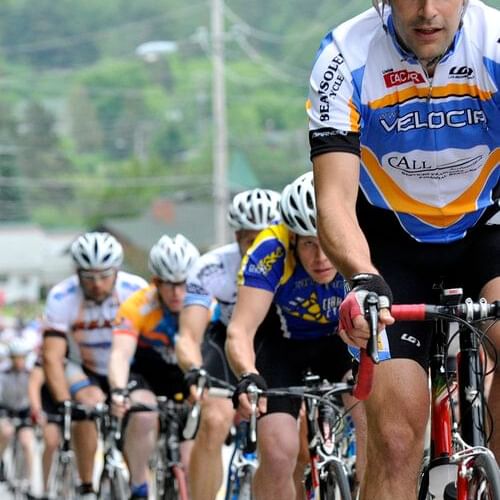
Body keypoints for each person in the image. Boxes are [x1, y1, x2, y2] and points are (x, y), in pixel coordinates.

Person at [307, 1, 500, 498]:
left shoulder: (495, 44)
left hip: (486, 225)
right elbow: (333, 201)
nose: (427, 11)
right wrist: (364, 277)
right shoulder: (345, 55)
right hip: (389, 242)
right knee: (394, 440)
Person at [226, 172, 366, 500]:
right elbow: (240, 330)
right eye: (308, 244)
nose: (320, 258)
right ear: (291, 238)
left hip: (340, 342)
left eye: (326, 242)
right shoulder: (269, 251)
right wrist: (247, 374)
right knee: (278, 454)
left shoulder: (358, 241)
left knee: (372, 419)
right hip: (282, 347)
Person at [175, 188, 281, 500]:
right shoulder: (212, 267)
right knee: (214, 419)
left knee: (294, 435)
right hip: (226, 340)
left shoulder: (294, 260)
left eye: (266, 238)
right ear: (236, 236)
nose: (258, 247)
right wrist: (194, 369)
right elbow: (189, 336)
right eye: (250, 239)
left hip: (275, 340)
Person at [42, 231, 147, 499]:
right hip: (83, 366)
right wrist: (65, 401)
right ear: (77, 274)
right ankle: (87, 486)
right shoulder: (62, 296)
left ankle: (139, 481)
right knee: (87, 407)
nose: (97, 284)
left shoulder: (135, 290)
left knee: (140, 411)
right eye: (88, 278)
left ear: (117, 270)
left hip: (127, 367)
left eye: (104, 275)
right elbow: (53, 356)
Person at [108, 233, 201, 500]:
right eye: (168, 284)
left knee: (191, 460)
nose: (177, 293)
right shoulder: (137, 306)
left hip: (184, 377)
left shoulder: (206, 303)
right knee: (145, 414)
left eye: (183, 284)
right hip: (145, 376)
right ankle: (139, 486)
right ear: (156, 281)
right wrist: (117, 390)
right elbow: (120, 356)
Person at [0, 338, 36, 490]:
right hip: (5, 409)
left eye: (21, 357)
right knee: (6, 432)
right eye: (15, 357)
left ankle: (28, 480)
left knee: (27, 443)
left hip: (24, 411)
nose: (19, 361)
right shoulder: (3, 373)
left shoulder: (31, 373)